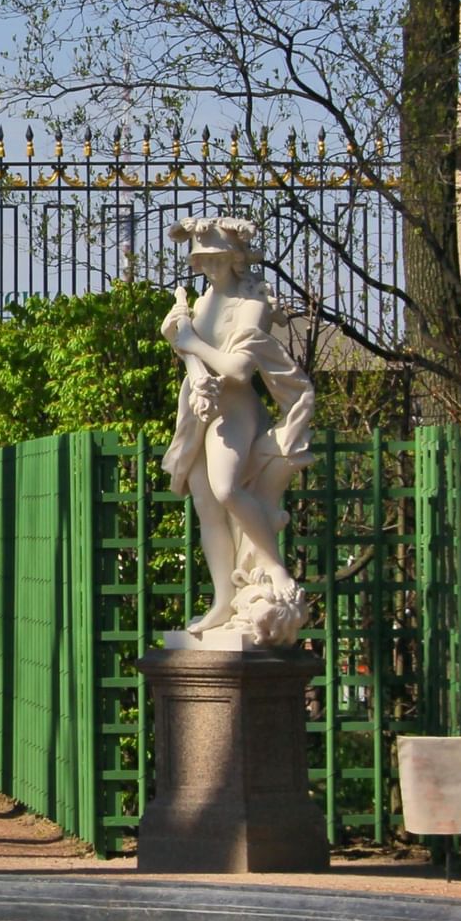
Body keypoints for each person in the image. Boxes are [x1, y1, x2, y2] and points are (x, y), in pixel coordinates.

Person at [159, 216, 315, 648]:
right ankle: (224, 600)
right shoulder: (201, 301)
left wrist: (190, 342)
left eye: (216, 258)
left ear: (235, 259)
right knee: (208, 507)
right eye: (201, 259)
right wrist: (186, 351)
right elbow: (189, 351)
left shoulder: (252, 304)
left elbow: (238, 369)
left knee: (227, 489)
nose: (207, 267)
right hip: (196, 405)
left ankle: (274, 567)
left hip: (234, 410)